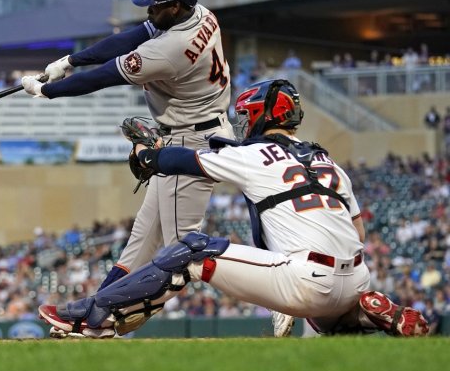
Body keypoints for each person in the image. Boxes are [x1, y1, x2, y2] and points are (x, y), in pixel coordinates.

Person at [38, 79, 429, 338]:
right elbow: (358, 234)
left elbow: (179, 163)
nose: (242, 123)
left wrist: (148, 153)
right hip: (357, 276)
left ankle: (94, 315)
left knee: (191, 250)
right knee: (327, 319)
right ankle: (364, 313)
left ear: (260, 115)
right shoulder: (330, 163)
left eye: (246, 116)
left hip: (308, 280)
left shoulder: (256, 153)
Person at [20, 0, 234, 297]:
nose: (149, 10)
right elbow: (132, 36)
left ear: (175, 6)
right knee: (140, 244)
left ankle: (273, 287)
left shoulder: (170, 48)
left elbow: (104, 76)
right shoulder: (201, 14)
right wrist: (71, 60)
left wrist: (47, 92)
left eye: (155, 5)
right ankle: (96, 314)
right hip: (194, 132)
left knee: (185, 254)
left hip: (189, 142)